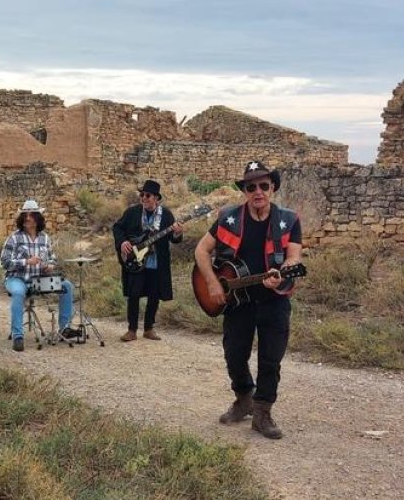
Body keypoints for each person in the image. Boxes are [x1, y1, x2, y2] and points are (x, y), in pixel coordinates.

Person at [194, 161, 302, 439]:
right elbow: (201, 251)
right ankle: (244, 398)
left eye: (264, 186)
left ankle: (263, 412)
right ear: (244, 190)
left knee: (270, 359)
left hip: (273, 300)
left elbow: (294, 257)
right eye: (251, 186)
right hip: (237, 302)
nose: (258, 191)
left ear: (273, 188)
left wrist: (281, 274)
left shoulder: (288, 220)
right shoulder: (229, 217)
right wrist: (212, 282)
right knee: (234, 354)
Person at [0, 199, 80, 351]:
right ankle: (18, 336)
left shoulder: (45, 238)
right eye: (25, 215)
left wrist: (50, 265)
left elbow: (52, 258)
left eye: (31, 215)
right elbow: (4, 262)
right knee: (17, 292)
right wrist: (26, 262)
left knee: (67, 286)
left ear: (37, 218)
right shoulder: (14, 238)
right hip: (17, 278)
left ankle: (65, 328)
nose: (27, 218)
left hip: (39, 279)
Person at [112, 179, 183, 342]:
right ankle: (132, 330)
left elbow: (174, 239)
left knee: (154, 295)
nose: (143, 198)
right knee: (134, 294)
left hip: (156, 263)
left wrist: (178, 233)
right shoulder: (132, 212)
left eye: (147, 195)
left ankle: (149, 329)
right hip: (135, 261)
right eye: (142, 195)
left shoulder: (166, 215)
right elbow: (117, 228)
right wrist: (123, 242)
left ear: (156, 198)